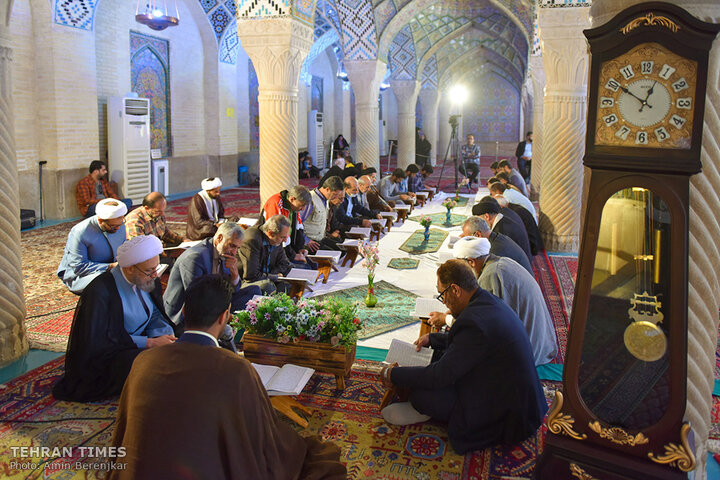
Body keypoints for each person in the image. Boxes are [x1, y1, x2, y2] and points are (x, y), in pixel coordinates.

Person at [111, 274, 347, 480]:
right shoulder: (236, 369)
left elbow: (124, 431)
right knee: (304, 453)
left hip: (140, 472)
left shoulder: (143, 361)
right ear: (225, 317)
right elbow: (263, 436)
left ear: (184, 312)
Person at [380, 260, 547, 454]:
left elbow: (439, 376)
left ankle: (424, 410)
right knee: (437, 356)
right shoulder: (485, 300)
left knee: (422, 394)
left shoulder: (473, 322)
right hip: (507, 389)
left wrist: (392, 374)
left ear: (455, 290)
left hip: (509, 412)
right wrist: (432, 338)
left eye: (442, 295)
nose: (444, 302)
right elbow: (468, 343)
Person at [53, 235, 177, 402]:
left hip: (142, 342)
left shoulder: (146, 278)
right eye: (150, 271)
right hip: (110, 355)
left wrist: (163, 336)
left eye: (156, 268)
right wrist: (150, 343)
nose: (155, 275)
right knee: (141, 364)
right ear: (130, 268)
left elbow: (156, 313)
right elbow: (101, 340)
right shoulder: (101, 291)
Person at [452, 237, 557, 365]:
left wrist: (448, 320)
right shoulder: (499, 261)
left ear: (471, 262)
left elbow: (482, 325)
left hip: (530, 350)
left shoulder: (490, 275)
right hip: (542, 340)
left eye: (460, 266)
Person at [164, 222, 261, 327]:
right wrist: (224, 313)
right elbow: (197, 298)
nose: (234, 252)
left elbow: (234, 290)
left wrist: (235, 275)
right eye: (232, 246)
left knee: (254, 291)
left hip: (214, 301)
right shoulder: (195, 257)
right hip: (188, 313)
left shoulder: (224, 253)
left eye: (237, 248)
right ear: (219, 238)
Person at [57, 198, 128, 294]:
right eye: (113, 226)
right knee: (109, 282)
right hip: (83, 276)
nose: (118, 228)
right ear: (100, 220)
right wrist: (110, 266)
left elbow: (122, 249)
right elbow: (79, 267)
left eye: (120, 224)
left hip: (114, 269)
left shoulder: (120, 225)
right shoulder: (80, 232)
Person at [237, 215, 293, 294]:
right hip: (245, 282)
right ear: (270, 233)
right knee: (267, 286)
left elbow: (284, 263)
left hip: (265, 276)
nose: (285, 240)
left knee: (292, 277)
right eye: (282, 237)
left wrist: (272, 275)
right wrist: (275, 276)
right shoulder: (252, 240)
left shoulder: (277, 239)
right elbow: (251, 276)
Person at [259, 185, 313, 266]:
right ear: (292, 199)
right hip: (273, 249)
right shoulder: (276, 203)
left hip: (287, 248)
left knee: (312, 265)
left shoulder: (294, 206)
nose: (303, 209)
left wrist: (300, 249)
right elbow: (277, 234)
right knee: (303, 267)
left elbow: (299, 227)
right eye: (302, 205)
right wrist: (293, 256)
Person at [461, 216, 533, 275]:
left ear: (477, 235)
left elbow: (485, 276)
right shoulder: (496, 238)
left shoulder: (494, 250)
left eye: (468, 238)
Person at [472, 196, 532, 263]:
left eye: (479, 220)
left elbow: (494, 258)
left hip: (521, 267)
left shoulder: (501, 230)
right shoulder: (502, 220)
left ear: (487, 216)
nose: (479, 224)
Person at [300, 176, 345, 252]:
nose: (336, 197)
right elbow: (298, 223)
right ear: (327, 189)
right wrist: (306, 240)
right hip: (310, 242)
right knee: (333, 255)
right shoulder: (310, 199)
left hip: (321, 239)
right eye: (335, 194)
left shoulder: (326, 199)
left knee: (342, 250)